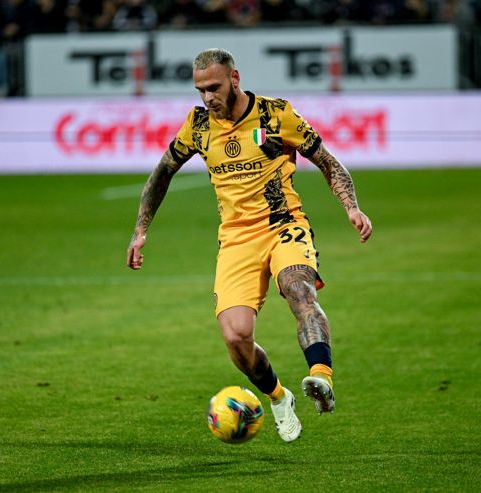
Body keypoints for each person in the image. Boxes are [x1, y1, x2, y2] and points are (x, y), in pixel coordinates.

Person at [126, 48, 372, 442]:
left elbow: (327, 161)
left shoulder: (276, 115)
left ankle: (321, 377)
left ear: (234, 78)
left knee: (298, 288)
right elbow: (162, 173)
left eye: (214, 87)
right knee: (236, 336)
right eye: (200, 89)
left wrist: (352, 207)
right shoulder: (198, 125)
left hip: (284, 225)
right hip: (236, 239)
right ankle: (278, 397)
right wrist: (141, 231)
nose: (207, 97)